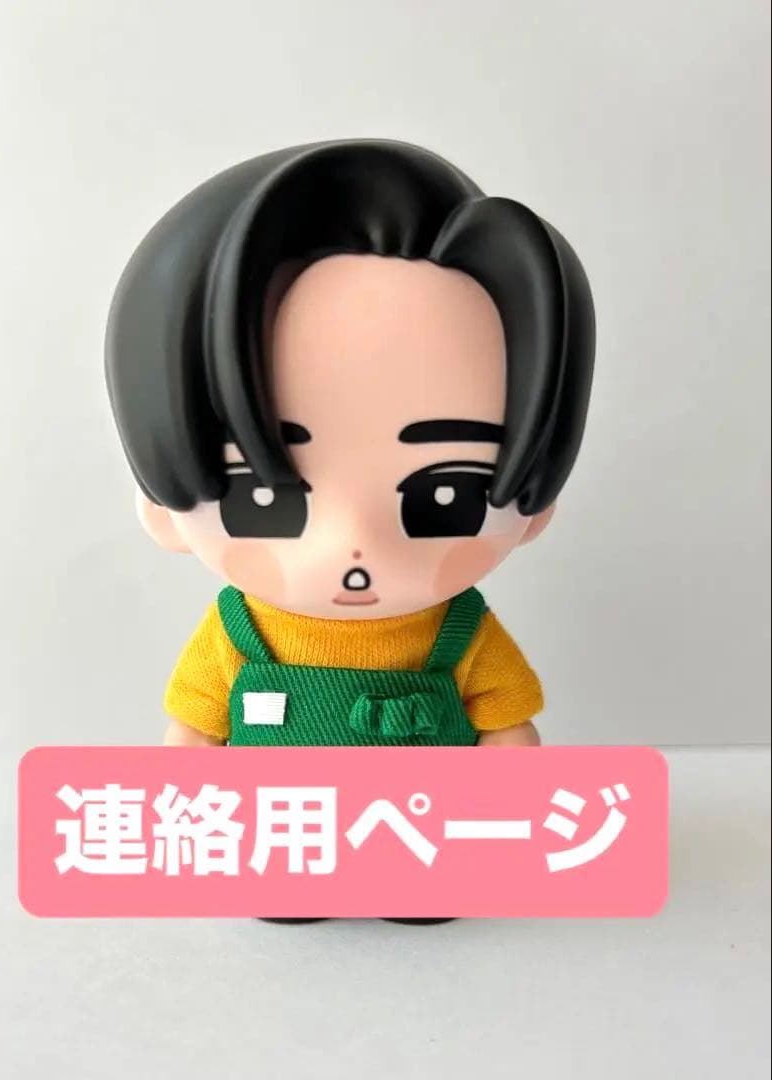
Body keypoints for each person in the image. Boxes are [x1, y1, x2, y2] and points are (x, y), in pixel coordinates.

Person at [105, 138, 595, 923]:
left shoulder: (460, 632)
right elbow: (193, 730)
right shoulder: (237, 633)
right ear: (162, 509)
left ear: (533, 506)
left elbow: (507, 725)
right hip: (283, 832)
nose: (354, 546)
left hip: (422, 834)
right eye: (265, 498)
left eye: (444, 497)